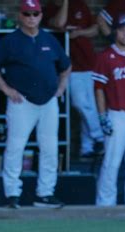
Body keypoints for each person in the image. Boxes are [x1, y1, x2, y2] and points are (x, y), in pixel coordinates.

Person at [0, 0, 71, 209]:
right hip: (21, 101)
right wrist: (6, 89)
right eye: (27, 13)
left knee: (50, 148)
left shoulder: (49, 38)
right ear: (21, 16)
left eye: (35, 13)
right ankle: (12, 193)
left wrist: (60, 88)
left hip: (48, 101)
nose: (31, 17)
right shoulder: (11, 41)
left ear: (41, 15)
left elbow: (65, 67)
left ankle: (45, 194)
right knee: (15, 147)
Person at [92, 13, 125, 206]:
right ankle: (105, 205)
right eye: (122, 29)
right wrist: (102, 116)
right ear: (116, 31)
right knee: (111, 163)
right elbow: (99, 89)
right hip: (117, 114)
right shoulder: (106, 56)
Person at [44, 0, 104, 159]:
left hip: (88, 61)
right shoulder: (50, 9)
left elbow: (95, 29)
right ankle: (100, 136)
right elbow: (59, 23)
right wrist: (65, 3)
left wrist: (80, 33)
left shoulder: (80, 5)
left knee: (89, 105)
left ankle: (87, 147)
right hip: (68, 65)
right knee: (79, 102)